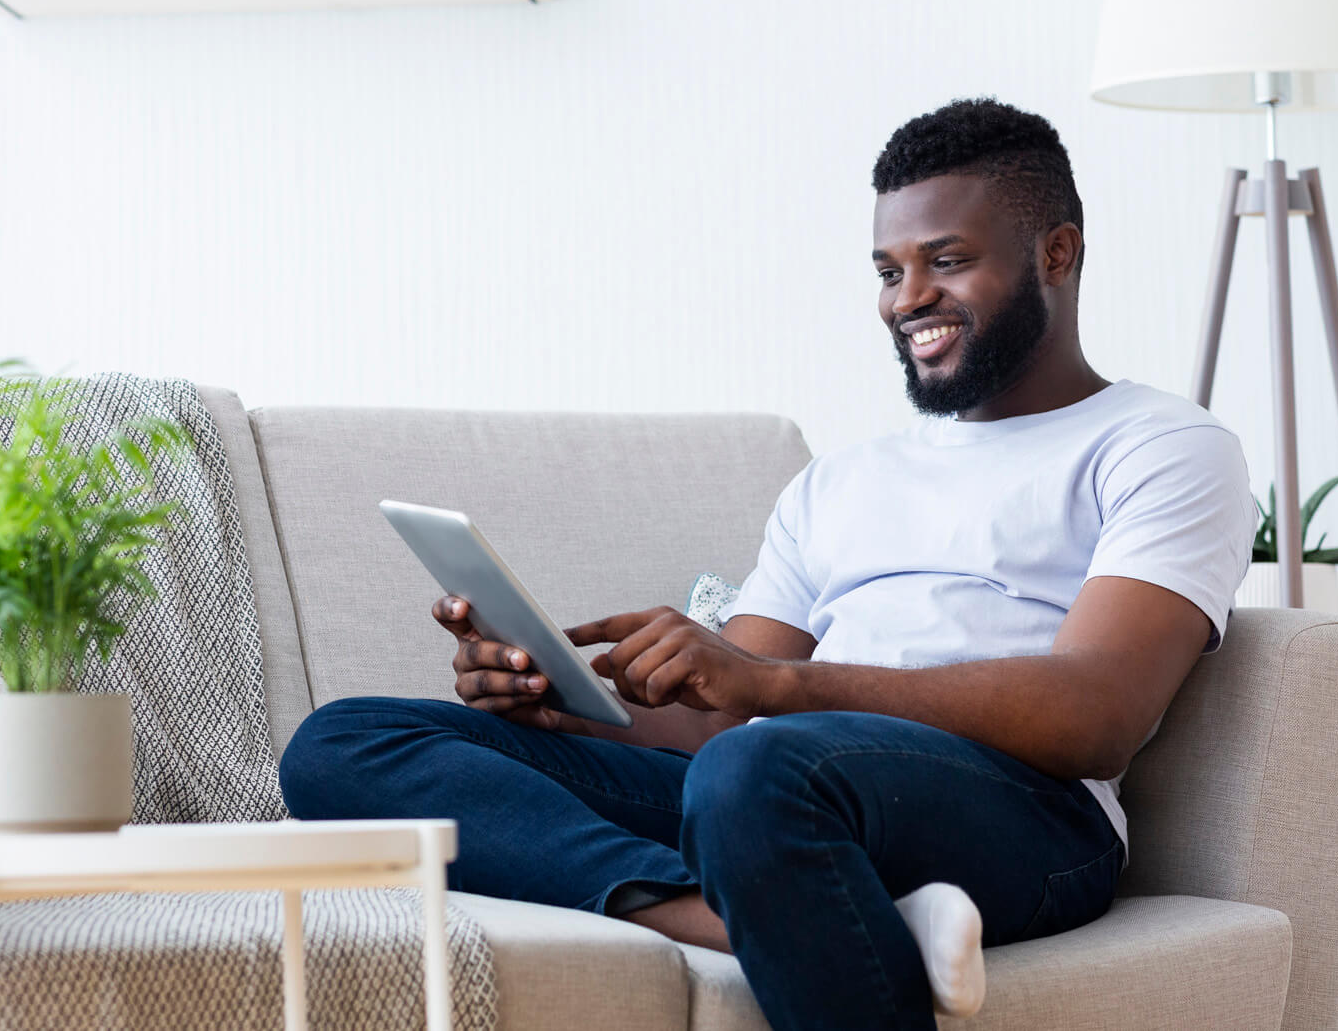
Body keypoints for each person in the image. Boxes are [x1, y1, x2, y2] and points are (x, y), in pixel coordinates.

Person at [278, 97, 1256, 1031]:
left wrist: (779, 685)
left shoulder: (1157, 443)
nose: (907, 298)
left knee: (758, 768)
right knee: (344, 744)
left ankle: (767, 904)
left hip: (1021, 818)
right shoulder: (839, 481)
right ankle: (718, 913)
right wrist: (564, 704)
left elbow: (1097, 716)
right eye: (887, 269)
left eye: (945, 261)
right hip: (781, 789)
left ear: (1057, 252)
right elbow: (713, 720)